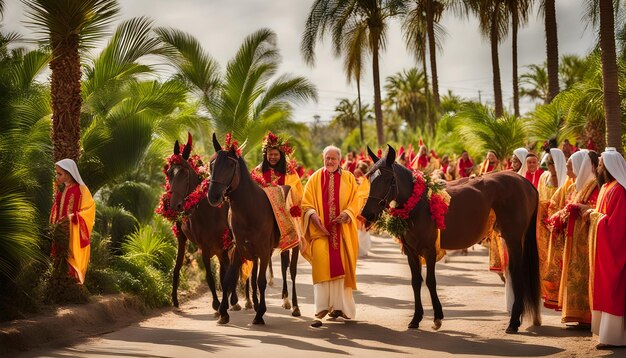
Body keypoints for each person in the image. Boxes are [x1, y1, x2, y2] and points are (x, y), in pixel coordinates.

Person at [301, 145, 360, 328]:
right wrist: (312, 215)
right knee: (321, 265)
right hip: (320, 233)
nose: (330, 161)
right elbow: (306, 203)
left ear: (340, 160)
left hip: (342, 233)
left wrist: (348, 213)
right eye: (328, 158)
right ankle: (321, 308)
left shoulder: (349, 178)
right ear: (323, 158)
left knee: (341, 268)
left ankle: (341, 308)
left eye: (334, 158)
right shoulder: (314, 178)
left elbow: (356, 200)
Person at [586, 148, 626, 348]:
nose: (598, 167)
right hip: (603, 250)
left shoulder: (619, 189)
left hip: (614, 250)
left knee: (613, 289)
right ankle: (605, 334)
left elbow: (617, 225)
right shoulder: (606, 188)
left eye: (600, 164)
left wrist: (593, 216)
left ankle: (615, 337)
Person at [556, 150, 599, 326]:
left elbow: (596, 207)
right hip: (575, 238)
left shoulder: (595, 185)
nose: (567, 171)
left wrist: (579, 208)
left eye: (570, 166)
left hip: (586, 239)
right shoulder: (578, 186)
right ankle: (578, 316)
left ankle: (586, 317)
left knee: (585, 276)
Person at [50, 159, 96, 285]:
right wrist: (56, 225)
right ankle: (60, 286)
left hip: (73, 232)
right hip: (61, 233)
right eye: (57, 173)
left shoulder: (81, 189)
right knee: (59, 260)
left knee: (71, 258)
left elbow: (89, 209)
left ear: (69, 173)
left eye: (60, 174)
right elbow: (57, 210)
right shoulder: (62, 190)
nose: (57, 176)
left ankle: (72, 286)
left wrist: (72, 218)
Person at [536, 148, 567, 295]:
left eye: (551, 163)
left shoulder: (565, 180)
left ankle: (559, 289)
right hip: (543, 222)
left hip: (558, 224)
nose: (549, 166)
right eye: (547, 162)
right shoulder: (543, 177)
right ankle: (545, 288)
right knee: (543, 255)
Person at [354, 161, 372, 257]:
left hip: (361, 206)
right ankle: (361, 250)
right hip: (358, 206)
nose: (356, 175)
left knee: (362, 229)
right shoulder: (366, 181)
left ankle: (361, 249)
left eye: (358, 173)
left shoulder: (364, 181)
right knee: (361, 230)